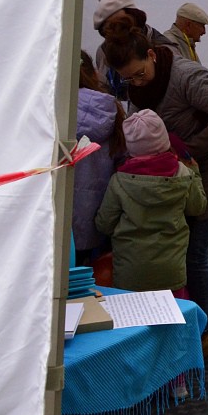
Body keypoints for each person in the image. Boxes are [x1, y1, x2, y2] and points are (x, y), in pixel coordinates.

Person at [102, 15, 208, 357]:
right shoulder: (137, 87)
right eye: (128, 79)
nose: (136, 83)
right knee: (179, 253)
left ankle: (203, 335)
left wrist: (191, 150)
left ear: (152, 55)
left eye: (140, 73)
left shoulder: (187, 75)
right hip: (183, 172)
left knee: (193, 254)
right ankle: (172, 332)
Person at [93, 110, 207, 294]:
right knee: (172, 317)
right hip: (172, 271)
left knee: (133, 319)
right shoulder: (184, 174)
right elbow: (198, 207)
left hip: (130, 271)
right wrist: (196, 173)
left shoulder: (120, 180)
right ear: (164, 141)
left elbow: (104, 224)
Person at [73, 51, 125, 265]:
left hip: (55, 216)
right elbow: (123, 158)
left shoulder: (50, 107)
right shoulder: (111, 109)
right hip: (99, 212)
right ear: (93, 72)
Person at [93, 0, 172, 99]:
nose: (117, 29)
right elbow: (103, 87)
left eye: (121, 23)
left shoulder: (164, 50)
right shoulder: (103, 52)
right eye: (111, 27)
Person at [164, 2, 208, 84]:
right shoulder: (170, 44)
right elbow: (177, 81)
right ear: (188, 25)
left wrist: (207, 78)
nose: (204, 32)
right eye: (202, 26)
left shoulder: (186, 43)